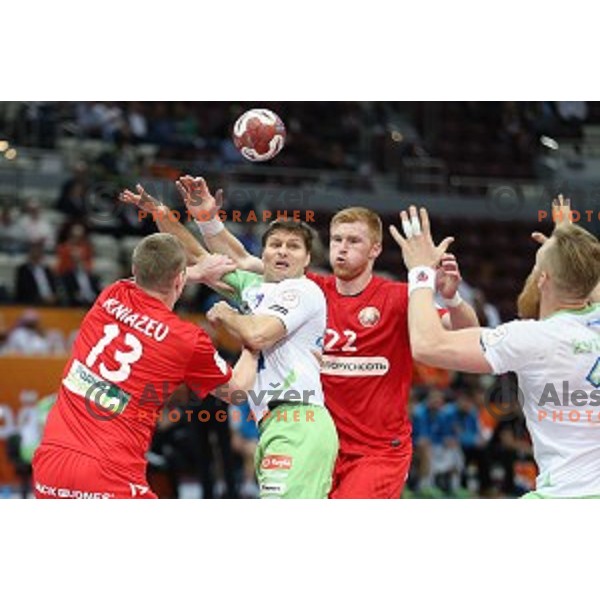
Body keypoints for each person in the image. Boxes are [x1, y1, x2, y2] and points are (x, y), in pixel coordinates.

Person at [131, 175, 479, 498]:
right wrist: (202, 216)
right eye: (338, 240)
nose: (342, 248)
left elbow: (464, 337)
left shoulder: (396, 297)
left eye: (354, 241)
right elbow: (232, 259)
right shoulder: (306, 287)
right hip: (322, 442)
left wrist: (451, 298)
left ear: (375, 249)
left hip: (375, 451)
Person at [121, 184, 338, 498]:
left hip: (299, 420)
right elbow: (199, 255)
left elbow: (257, 334)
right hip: (274, 422)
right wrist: (161, 213)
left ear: (307, 260)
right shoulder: (255, 288)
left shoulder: (302, 290)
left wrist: (225, 315)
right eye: (275, 244)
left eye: (293, 247)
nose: (282, 251)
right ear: (262, 254)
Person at [390, 199, 600, 498]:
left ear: (542, 280)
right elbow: (589, 277)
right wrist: (568, 241)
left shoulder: (531, 338)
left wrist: (420, 272)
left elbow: (428, 345)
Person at [32, 233, 257, 499]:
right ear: (179, 280)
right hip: (109, 472)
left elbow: (147, 277)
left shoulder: (112, 295)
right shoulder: (186, 339)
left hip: (51, 462)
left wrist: (192, 272)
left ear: (135, 270)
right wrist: (253, 339)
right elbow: (236, 391)